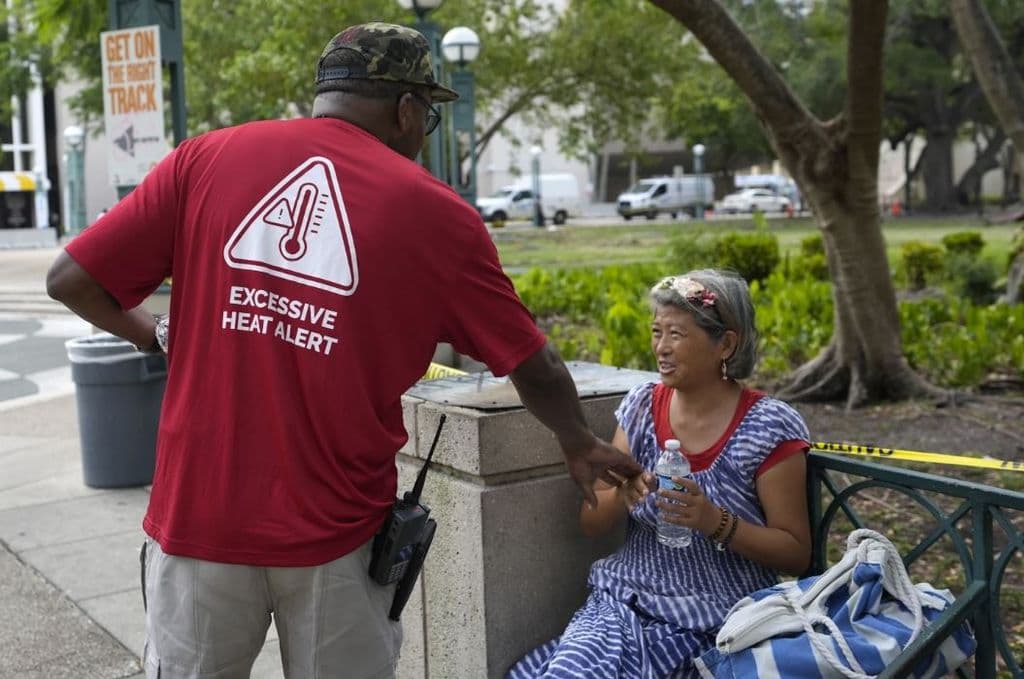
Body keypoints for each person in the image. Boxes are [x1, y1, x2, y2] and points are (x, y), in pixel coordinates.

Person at [46, 22, 641, 679]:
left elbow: (71, 281)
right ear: (407, 108)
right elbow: (535, 363)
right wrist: (577, 442)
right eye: (430, 117)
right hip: (337, 535)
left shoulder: (205, 158)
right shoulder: (440, 217)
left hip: (197, 518)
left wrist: (158, 334)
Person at [508, 269, 812, 679]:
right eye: (656, 332)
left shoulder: (767, 426)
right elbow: (592, 520)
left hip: (717, 622)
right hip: (622, 605)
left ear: (726, 344)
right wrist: (622, 496)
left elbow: (796, 552)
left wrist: (713, 521)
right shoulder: (641, 408)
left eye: (676, 335)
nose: (661, 348)